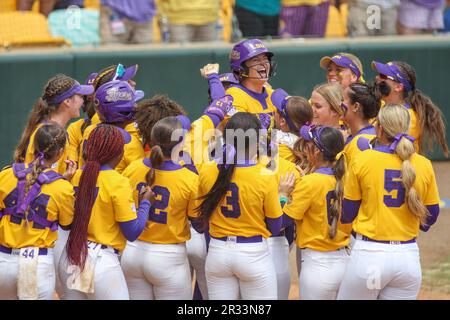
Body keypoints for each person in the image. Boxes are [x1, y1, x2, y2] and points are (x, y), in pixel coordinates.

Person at [338, 104, 440, 300]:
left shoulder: (364, 159)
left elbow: (348, 213)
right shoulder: (423, 164)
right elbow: (431, 215)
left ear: (380, 128)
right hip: (408, 261)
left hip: (371, 258)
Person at [59, 124, 154, 300]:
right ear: (118, 153)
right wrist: (145, 203)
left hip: (71, 256)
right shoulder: (118, 182)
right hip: (101, 262)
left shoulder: (78, 174)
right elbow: (132, 232)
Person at [197, 112, 283, 300]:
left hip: (217, 252)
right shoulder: (264, 175)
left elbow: (199, 217)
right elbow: (276, 227)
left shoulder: (208, 169)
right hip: (253, 254)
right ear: (256, 141)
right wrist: (282, 197)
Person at [121, 116, 200, 300]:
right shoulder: (189, 178)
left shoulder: (133, 168)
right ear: (180, 144)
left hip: (132, 252)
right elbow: (198, 224)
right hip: (168, 257)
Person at [0, 123, 74, 300]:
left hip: (3, 261)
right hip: (35, 264)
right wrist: (65, 182)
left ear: (33, 146)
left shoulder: (6, 174)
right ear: (59, 152)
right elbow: (66, 223)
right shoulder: (62, 187)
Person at [283, 124, 350, 299]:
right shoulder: (348, 178)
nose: (305, 148)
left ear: (317, 153)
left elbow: (283, 222)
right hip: (346, 264)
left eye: (309, 144)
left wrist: (283, 195)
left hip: (317, 266)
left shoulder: (309, 183)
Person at [15, 74, 93, 175]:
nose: (83, 101)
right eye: (80, 96)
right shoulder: (47, 134)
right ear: (67, 101)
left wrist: (65, 178)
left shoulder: (53, 129)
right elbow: (36, 183)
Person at [371, 60, 448, 156]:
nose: (377, 78)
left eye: (383, 76)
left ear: (398, 87)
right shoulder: (382, 105)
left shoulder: (409, 119)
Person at [67, 63, 139, 163]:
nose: (133, 83)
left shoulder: (97, 121)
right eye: (127, 81)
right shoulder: (118, 118)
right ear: (113, 91)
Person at [78, 80, 145, 173]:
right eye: (133, 103)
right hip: (116, 186)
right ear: (124, 110)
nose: (136, 106)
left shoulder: (89, 130)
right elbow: (138, 176)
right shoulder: (131, 143)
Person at [226, 39, 278, 120]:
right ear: (241, 68)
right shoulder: (233, 96)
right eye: (256, 60)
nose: (263, 63)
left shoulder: (274, 95)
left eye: (265, 59)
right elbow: (239, 131)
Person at [340, 82, 381, 165]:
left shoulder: (360, 142)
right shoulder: (368, 133)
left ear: (356, 106)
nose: (339, 104)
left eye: (343, 100)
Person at [271, 88, 313, 163]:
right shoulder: (311, 140)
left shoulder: (282, 150)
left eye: (276, 109)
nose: (272, 111)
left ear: (282, 121)